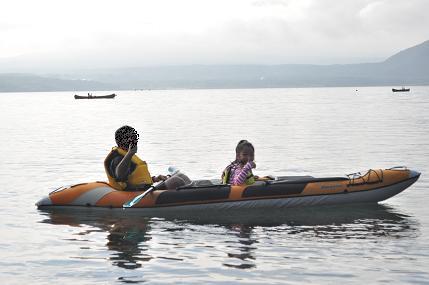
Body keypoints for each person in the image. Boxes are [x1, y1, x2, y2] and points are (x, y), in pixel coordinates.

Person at [104, 125, 190, 191]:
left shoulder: (129, 155)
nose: (135, 140)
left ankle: (196, 192)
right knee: (175, 181)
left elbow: (138, 179)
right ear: (123, 140)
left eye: (135, 137)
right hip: (133, 194)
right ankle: (190, 198)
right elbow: (120, 176)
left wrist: (155, 179)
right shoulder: (118, 158)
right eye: (132, 137)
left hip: (146, 189)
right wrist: (130, 153)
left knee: (181, 176)